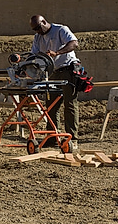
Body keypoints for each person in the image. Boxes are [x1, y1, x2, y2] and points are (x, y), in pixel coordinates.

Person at [29, 15, 81, 143]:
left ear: (44, 22)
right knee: (51, 106)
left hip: (68, 69)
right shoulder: (38, 37)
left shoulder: (60, 30)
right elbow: (34, 55)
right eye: (35, 29)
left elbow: (74, 43)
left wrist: (57, 53)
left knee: (70, 104)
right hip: (52, 72)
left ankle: (71, 137)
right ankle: (52, 136)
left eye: (38, 28)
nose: (38, 31)